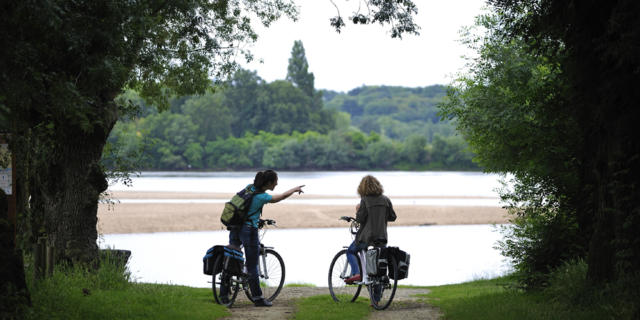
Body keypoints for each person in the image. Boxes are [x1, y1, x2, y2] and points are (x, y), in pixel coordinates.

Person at [221, 170, 304, 307]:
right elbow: (281, 197)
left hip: (235, 226)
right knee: (252, 265)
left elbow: (245, 207)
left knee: (232, 257)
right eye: (275, 181)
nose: (277, 184)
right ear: (269, 182)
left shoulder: (250, 188)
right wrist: (294, 190)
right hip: (248, 230)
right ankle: (258, 298)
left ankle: (224, 295)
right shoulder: (262, 197)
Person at [344, 175, 397, 287]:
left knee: (350, 251)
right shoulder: (386, 199)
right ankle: (376, 301)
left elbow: (359, 219)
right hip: (382, 237)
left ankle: (357, 273)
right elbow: (393, 217)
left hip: (366, 238)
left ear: (362, 188)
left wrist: (358, 210)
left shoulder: (365, 200)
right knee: (377, 268)